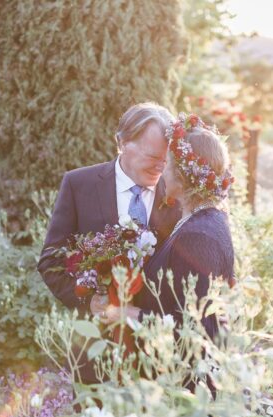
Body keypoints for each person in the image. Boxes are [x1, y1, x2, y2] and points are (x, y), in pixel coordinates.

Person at [94, 113, 235, 343]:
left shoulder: (198, 236)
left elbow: (197, 328)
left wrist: (130, 314)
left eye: (167, 163)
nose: (161, 172)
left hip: (186, 376)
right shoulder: (202, 220)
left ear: (181, 175)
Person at [38, 102, 181, 312]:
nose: (161, 168)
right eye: (152, 157)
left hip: (158, 334)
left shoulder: (178, 194)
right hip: (96, 336)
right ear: (123, 143)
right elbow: (51, 260)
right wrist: (89, 303)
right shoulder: (78, 185)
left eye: (166, 160)